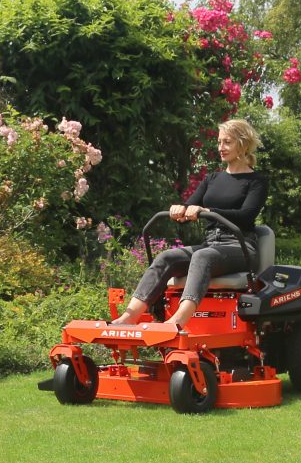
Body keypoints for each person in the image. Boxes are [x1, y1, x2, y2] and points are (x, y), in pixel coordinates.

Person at [113, 118, 268, 329]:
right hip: (212, 245)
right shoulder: (212, 179)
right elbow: (190, 206)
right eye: (219, 142)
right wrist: (181, 210)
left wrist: (209, 211)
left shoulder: (256, 181)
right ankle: (129, 318)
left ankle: (177, 321)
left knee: (202, 256)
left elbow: (246, 216)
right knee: (166, 257)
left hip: (239, 246)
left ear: (243, 144)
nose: (221, 147)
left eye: (227, 142)